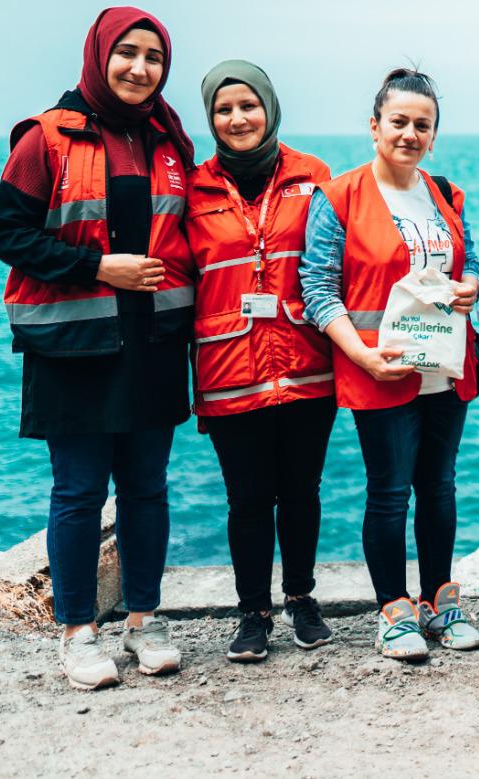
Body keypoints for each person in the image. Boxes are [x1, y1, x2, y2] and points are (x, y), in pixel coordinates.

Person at [0, 6, 195, 690]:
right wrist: (97, 268)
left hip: (153, 340)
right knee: (78, 491)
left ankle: (143, 620)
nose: (140, 68)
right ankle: (78, 631)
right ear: (99, 54)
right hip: (74, 343)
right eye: (127, 53)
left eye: (154, 57)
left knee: (146, 489)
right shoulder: (46, 136)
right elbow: (7, 232)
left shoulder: (169, 138)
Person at [300, 67, 479, 663]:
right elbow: (318, 288)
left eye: (422, 125)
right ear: (375, 125)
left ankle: (440, 600)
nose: (410, 133)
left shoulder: (443, 192)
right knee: (389, 491)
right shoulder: (339, 197)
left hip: (444, 365)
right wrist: (362, 356)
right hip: (379, 366)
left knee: (439, 487)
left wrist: (471, 286)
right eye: (398, 122)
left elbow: (469, 258)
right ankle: (393, 610)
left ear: (434, 134)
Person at [188, 60, 337, 662]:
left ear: (269, 108)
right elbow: (176, 280)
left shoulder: (313, 175)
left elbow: (337, 264)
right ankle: (252, 613)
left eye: (248, 105)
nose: (238, 118)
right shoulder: (192, 188)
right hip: (229, 371)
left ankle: (301, 598)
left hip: (305, 364)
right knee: (247, 498)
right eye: (224, 110)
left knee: (301, 490)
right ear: (211, 120)